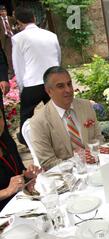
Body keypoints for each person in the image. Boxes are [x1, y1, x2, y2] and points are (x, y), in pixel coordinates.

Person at [30, 67, 104, 170]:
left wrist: (95, 155)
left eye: (69, 84)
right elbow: (47, 162)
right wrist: (79, 161)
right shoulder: (39, 121)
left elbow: (98, 138)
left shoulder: (86, 106)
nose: (68, 90)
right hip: (68, 177)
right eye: (61, 86)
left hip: (97, 166)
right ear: (49, 91)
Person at [12, 7, 60, 145]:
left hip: (32, 82)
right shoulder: (51, 35)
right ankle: (59, 135)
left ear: (19, 22)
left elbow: (18, 66)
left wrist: (21, 87)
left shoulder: (17, 38)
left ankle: (26, 140)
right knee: (56, 112)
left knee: (26, 115)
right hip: (52, 80)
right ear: (34, 18)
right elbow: (58, 57)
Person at [0, 110, 41, 211]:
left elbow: (18, 172)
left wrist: (27, 176)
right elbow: (9, 188)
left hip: (23, 203)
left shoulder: (6, 140)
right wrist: (7, 191)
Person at [0, 5, 14, 76]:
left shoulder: (11, 18)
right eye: (2, 11)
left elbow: (17, 24)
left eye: (4, 11)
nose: (3, 12)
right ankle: (12, 72)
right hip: (6, 40)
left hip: (13, 38)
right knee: (9, 57)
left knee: (15, 54)